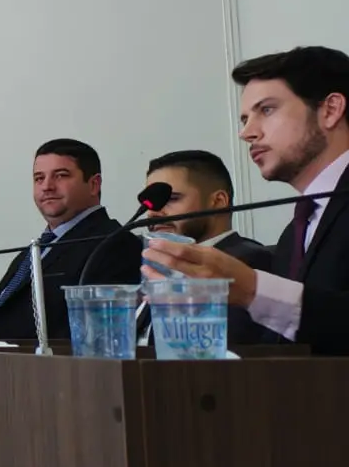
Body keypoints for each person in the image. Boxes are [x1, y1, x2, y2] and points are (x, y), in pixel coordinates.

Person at [145, 46, 349, 355]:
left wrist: (253, 289)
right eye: (244, 118)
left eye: (266, 110)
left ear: (330, 110)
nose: (247, 133)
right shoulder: (295, 232)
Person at [0, 139, 140, 340]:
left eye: (60, 176)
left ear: (94, 184)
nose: (47, 186)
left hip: (45, 368)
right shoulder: (38, 248)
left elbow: (96, 334)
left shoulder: (114, 244)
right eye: (39, 178)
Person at [141, 150, 274, 343]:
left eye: (171, 199)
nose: (153, 212)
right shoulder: (153, 266)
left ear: (218, 202)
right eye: (151, 203)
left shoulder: (249, 262)